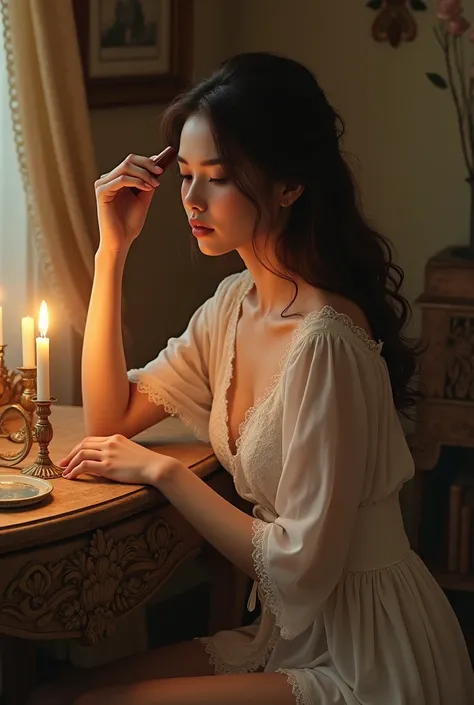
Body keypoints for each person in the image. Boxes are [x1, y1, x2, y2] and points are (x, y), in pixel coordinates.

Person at [30, 52, 474, 705]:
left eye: (218, 177)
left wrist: (165, 472)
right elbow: (110, 417)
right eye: (185, 175)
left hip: (369, 655)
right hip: (287, 632)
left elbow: (300, 571)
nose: (191, 199)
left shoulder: (325, 345)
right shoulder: (235, 304)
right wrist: (112, 252)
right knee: (57, 692)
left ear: (289, 184)